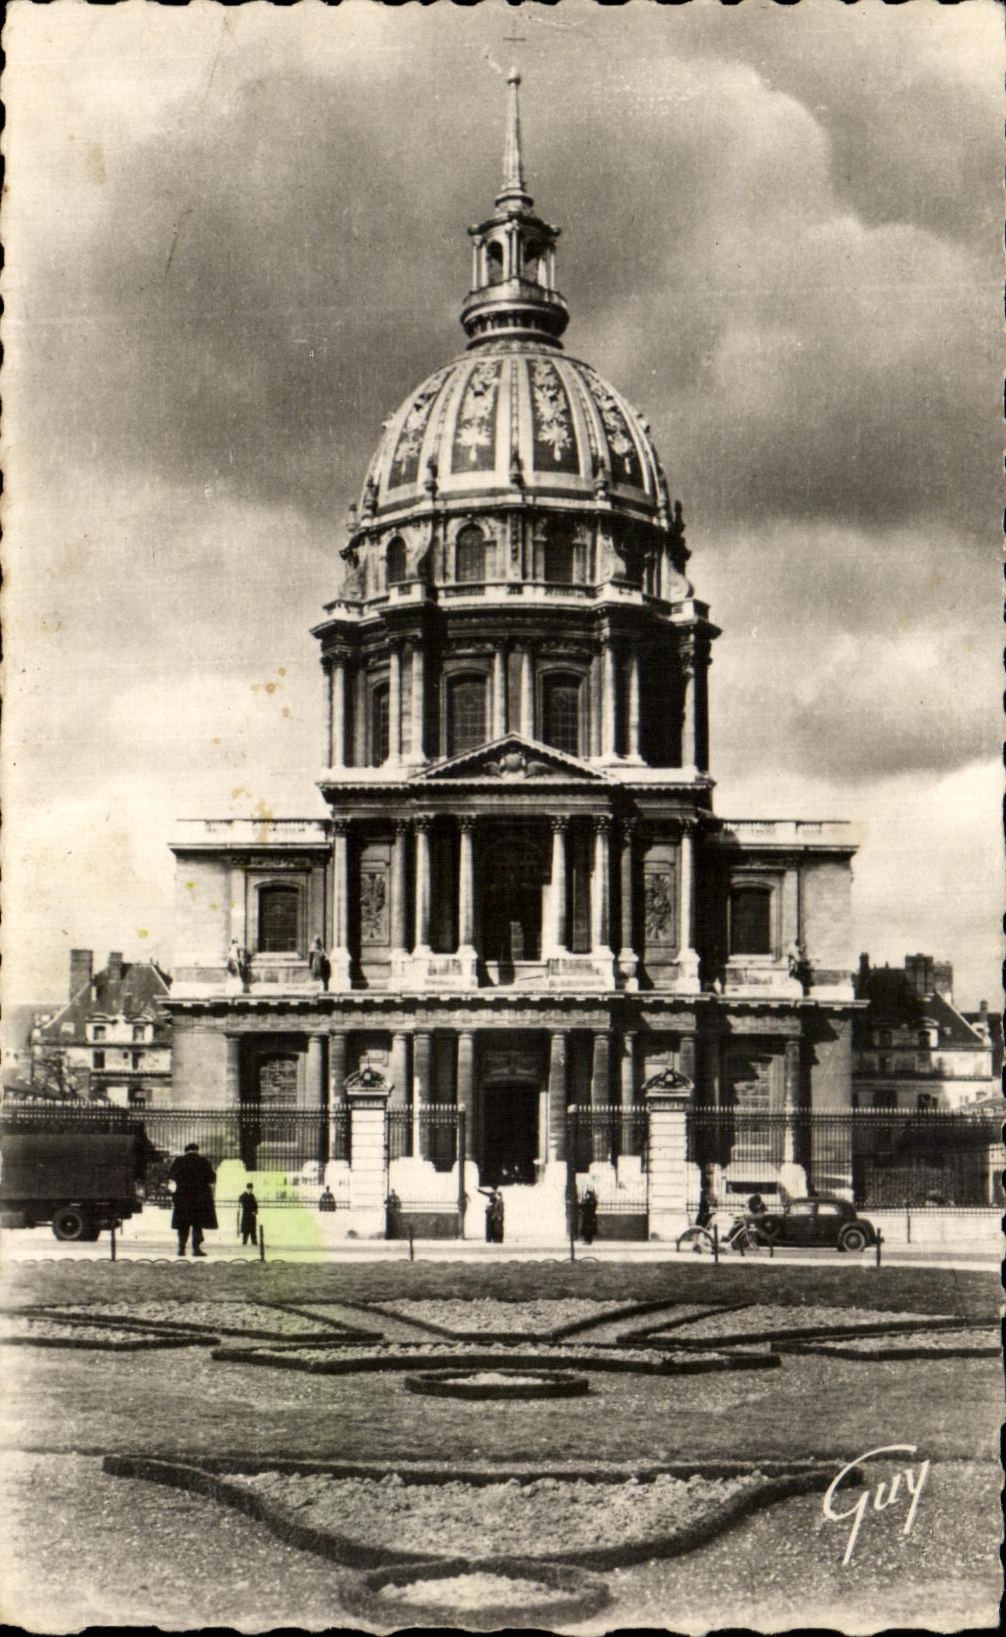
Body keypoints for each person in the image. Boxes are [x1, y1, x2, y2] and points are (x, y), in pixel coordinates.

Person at [168, 1142, 218, 1258]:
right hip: (199, 1200)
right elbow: (212, 1179)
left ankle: (181, 1249)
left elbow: (171, 1177)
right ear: (197, 1150)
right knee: (197, 1225)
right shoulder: (203, 1161)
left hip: (182, 1199)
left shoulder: (178, 1161)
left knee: (182, 1225)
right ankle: (196, 1249)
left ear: (186, 1150)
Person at [237, 1181, 258, 1247]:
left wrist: (255, 1211)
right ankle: (244, 1242)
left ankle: (254, 1242)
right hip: (246, 1215)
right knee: (246, 1230)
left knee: (253, 1230)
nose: (251, 1189)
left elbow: (255, 1205)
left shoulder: (252, 1195)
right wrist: (251, 1211)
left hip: (252, 1216)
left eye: (251, 1188)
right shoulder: (243, 1196)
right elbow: (245, 1205)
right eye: (250, 1188)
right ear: (247, 1188)